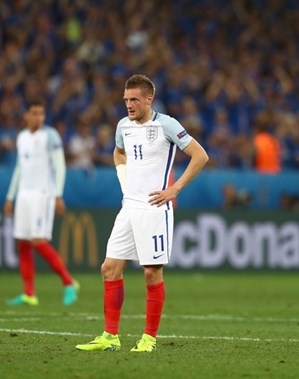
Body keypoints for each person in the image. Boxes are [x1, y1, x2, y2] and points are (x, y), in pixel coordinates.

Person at [76, 74, 208, 353]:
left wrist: (175, 189)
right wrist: (124, 181)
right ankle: (110, 337)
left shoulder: (166, 125)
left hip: (155, 208)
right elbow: (118, 152)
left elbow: (200, 156)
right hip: (129, 207)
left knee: (151, 272)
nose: (129, 105)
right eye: (126, 100)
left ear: (149, 99)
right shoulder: (123, 125)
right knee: (109, 269)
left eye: (134, 99)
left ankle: (148, 338)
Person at [4, 101, 79, 306]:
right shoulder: (22, 137)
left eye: (41, 113)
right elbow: (19, 168)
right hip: (24, 195)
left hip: (42, 194)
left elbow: (59, 166)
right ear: (26, 115)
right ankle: (29, 293)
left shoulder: (50, 136)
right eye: (34, 113)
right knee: (23, 242)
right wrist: (11, 196)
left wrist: (58, 194)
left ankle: (68, 282)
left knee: (38, 241)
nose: (38, 117)